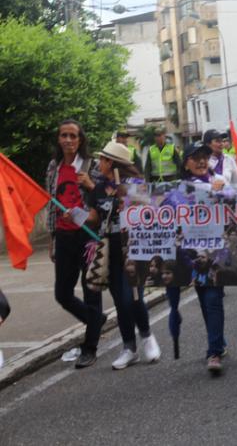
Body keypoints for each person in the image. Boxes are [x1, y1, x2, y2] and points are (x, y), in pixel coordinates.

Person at [87, 142, 161, 370]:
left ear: (111, 162)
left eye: (102, 159)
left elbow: (151, 209)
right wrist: (76, 216)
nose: (99, 163)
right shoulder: (99, 187)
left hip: (133, 248)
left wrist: (128, 202)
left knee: (134, 297)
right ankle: (129, 348)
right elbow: (95, 218)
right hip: (111, 249)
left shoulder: (135, 185)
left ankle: (147, 336)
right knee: (120, 301)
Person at [45, 120, 107, 369]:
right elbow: (51, 203)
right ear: (59, 139)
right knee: (62, 293)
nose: (68, 140)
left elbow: (102, 202)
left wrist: (90, 190)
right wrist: (52, 238)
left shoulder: (91, 167)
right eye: (64, 135)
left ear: (80, 140)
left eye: (73, 135)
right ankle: (96, 320)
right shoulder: (53, 167)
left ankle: (89, 348)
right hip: (64, 236)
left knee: (91, 291)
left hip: (88, 236)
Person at [179, 141, 229, 373]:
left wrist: (223, 192)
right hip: (193, 255)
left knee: (212, 299)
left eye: (205, 156)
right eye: (195, 156)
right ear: (186, 163)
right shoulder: (178, 189)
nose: (201, 161)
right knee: (204, 300)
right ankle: (218, 342)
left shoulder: (219, 182)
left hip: (217, 253)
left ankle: (214, 352)